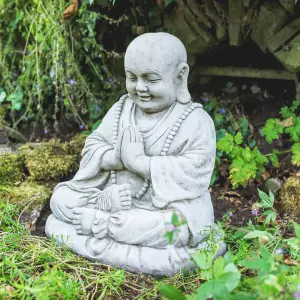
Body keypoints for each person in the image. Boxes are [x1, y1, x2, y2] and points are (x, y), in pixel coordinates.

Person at [46, 32, 225, 276]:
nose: (140, 87)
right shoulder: (122, 109)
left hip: (161, 213)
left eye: (151, 79)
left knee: (177, 228)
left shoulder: (195, 121)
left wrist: (140, 163)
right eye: (132, 77)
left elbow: (194, 173)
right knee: (61, 200)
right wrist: (115, 160)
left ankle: (103, 226)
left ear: (180, 77)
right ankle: (103, 219)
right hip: (108, 199)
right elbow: (94, 145)